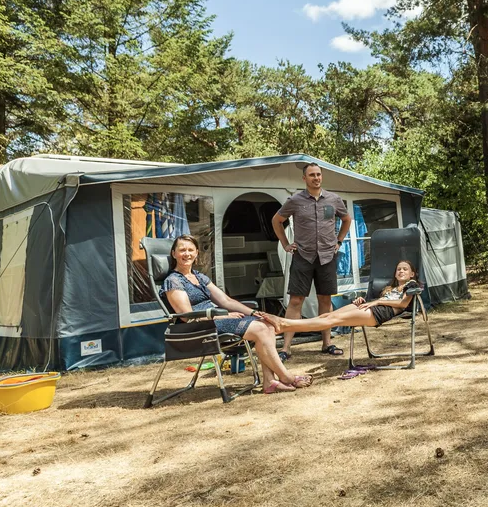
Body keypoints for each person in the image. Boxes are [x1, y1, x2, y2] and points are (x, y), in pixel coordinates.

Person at [162, 234, 312, 394]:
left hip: (214, 319)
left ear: (197, 253)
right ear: (174, 254)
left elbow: (226, 301)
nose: (187, 254)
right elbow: (187, 316)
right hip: (199, 326)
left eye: (191, 250)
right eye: (182, 250)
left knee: (266, 324)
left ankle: (269, 382)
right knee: (261, 329)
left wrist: (256, 313)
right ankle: (287, 377)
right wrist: (222, 316)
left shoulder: (199, 277)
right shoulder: (173, 281)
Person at [271, 162, 352, 359]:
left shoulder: (334, 199)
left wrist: (339, 241)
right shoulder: (295, 200)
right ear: (304, 179)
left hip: (327, 256)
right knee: (296, 300)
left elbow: (347, 219)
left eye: (318, 174)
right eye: (312, 175)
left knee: (325, 299)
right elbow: (277, 220)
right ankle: (286, 348)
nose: (316, 178)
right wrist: (285, 244)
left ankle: (327, 343)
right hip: (303, 256)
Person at [258, 259, 421, 336]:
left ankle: (285, 324)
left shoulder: (412, 285)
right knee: (327, 315)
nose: (400, 271)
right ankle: (285, 326)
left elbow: (401, 303)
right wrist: (363, 300)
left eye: (405, 269)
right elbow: (375, 299)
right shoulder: (389, 288)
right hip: (370, 307)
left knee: (332, 321)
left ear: (412, 274)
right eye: (398, 269)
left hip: (378, 313)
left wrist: (377, 302)